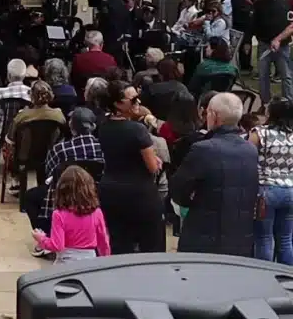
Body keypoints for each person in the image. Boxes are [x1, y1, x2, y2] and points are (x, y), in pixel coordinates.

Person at [172, 92, 257, 257]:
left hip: (204, 236)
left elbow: (179, 190)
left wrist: (191, 201)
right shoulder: (250, 150)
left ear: (214, 116)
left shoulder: (203, 149)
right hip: (240, 236)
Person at [23, 107, 103, 258]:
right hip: (95, 193)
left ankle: (45, 237)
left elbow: (49, 171)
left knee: (29, 197)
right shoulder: (104, 147)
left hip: (63, 194)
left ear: (72, 128)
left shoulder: (60, 149)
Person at [98, 80, 165, 254]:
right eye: (133, 100)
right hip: (139, 194)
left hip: (111, 191)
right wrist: (154, 159)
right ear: (117, 104)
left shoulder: (103, 126)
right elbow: (152, 167)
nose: (138, 103)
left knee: (119, 245)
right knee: (151, 246)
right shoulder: (137, 130)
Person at [32, 165, 110, 264]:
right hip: (90, 261)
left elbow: (57, 246)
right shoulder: (96, 212)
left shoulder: (59, 214)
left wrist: (41, 238)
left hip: (66, 262)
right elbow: (103, 242)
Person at [250, 98, 293, 264]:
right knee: (286, 239)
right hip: (290, 190)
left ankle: (264, 275)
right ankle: (288, 277)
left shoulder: (260, 133)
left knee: (264, 238)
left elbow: (247, 155)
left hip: (266, 191)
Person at [261, 0, 293, 102]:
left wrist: (278, 39)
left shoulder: (287, 3)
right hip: (264, 44)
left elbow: (291, 26)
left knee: (286, 75)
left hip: (283, 45)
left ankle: (289, 103)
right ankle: (265, 104)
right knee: (263, 76)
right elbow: (255, 23)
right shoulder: (260, 3)